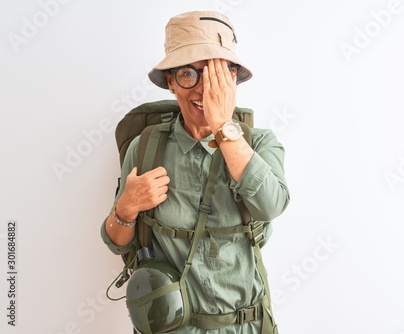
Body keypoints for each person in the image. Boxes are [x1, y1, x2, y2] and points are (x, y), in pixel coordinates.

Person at [101, 10, 290, 333]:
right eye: (189, 74)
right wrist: (126, 208)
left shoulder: (259, 144)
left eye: (215, 75)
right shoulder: (145, 149)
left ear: (231, 80)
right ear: (171, 82)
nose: (203, 90)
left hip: (246, 327)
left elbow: (271, 205)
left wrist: (221, 125)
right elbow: (117, 242)